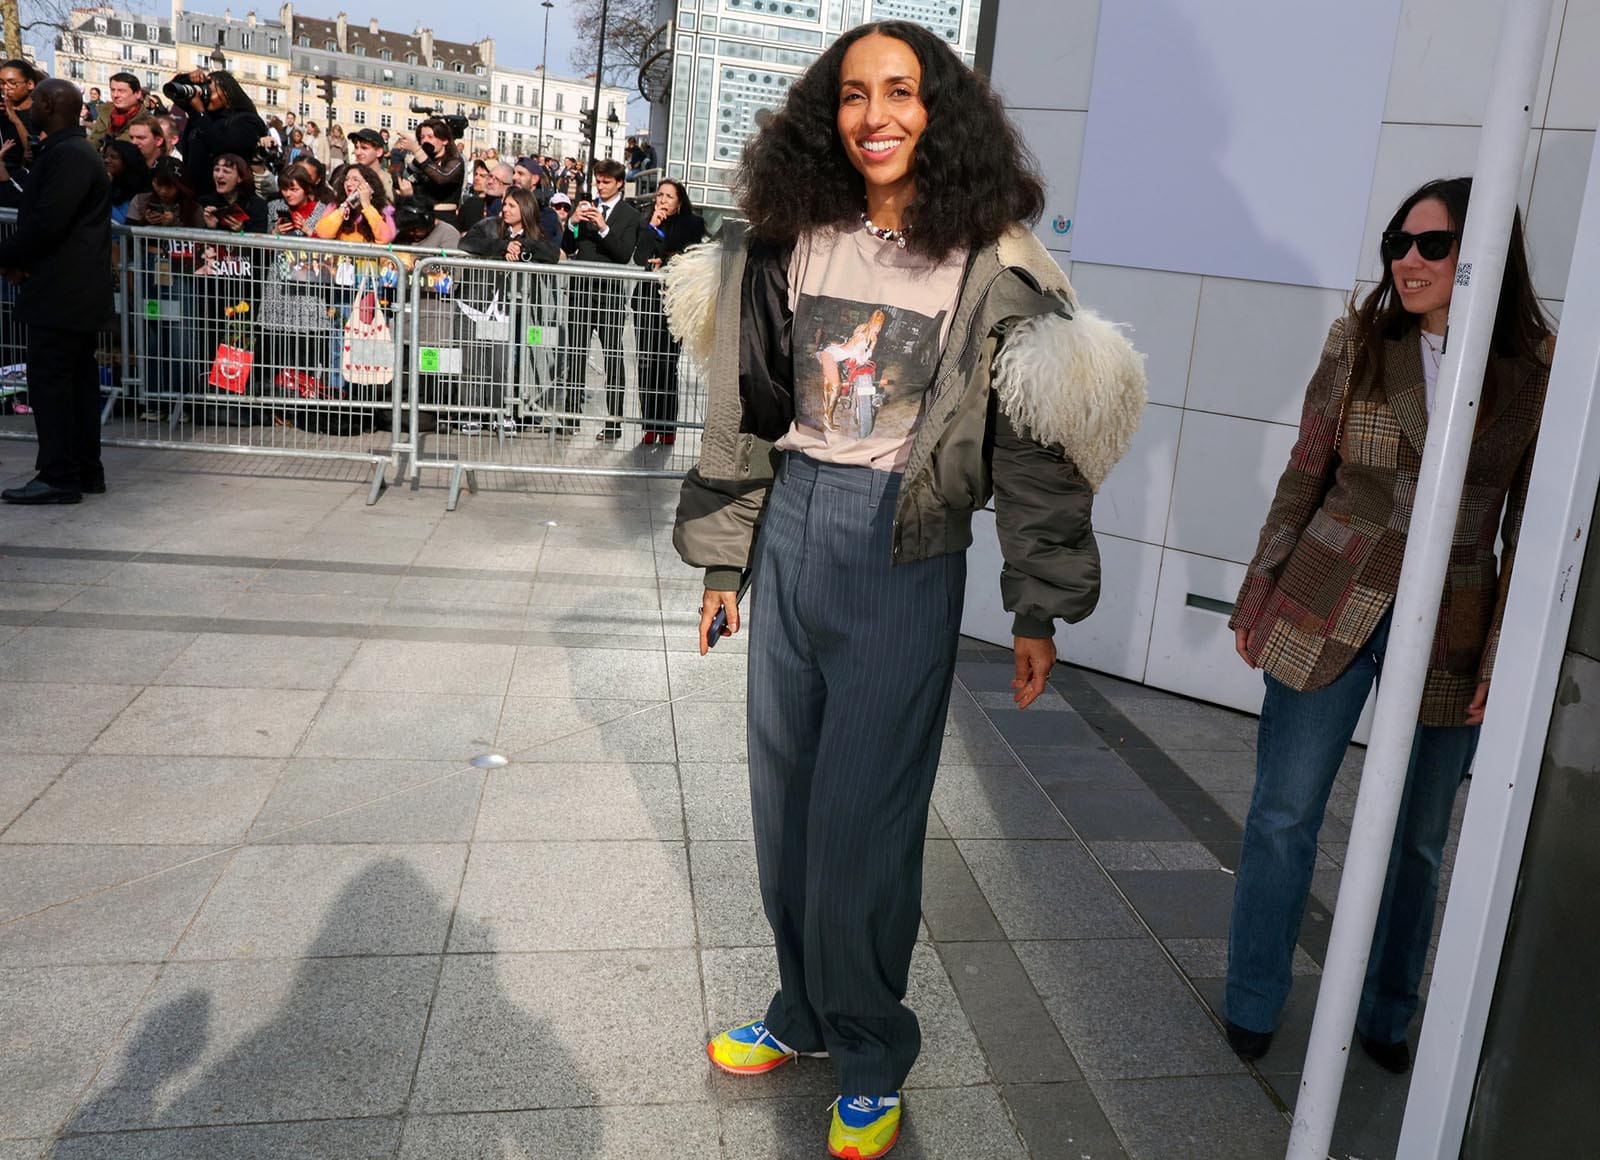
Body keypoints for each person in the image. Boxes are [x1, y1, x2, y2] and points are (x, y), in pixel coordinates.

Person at [669, 23, 1143, 1157]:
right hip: (793, 533)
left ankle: (871, 1046)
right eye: (851, 94)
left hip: (906, 551)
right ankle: (801, 1011)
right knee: (785, 808)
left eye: (900, 91)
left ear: (943, 110)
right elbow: (743, 405)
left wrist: (1037, 604)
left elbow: (1036, 444)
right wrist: (727, 556)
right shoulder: (787, 240)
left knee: (864, 827)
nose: (874, 114)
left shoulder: (998, 262)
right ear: (822, 115)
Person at [1223, 177, 1554, 1075]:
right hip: (1327, 596)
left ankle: (1389, 1011)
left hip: (1452, 618)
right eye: (1399, 244)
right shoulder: (1361, 341)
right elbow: (1304, 473)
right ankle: (1253, 995)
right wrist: (1257, 592)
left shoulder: (1534, 369)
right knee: (1284, 813)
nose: (1408, 260)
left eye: (1432, 246)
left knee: (1418, 837)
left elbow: (1526, 524)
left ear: (1483, 252)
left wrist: (1500, 654)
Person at [0, 79, 114, 504]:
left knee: (53, 383)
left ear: (47, 104)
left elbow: (47, 224)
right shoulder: (72, 152)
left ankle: (60, 473)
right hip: (72, 289)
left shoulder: (69, 155)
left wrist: (8, 256)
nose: (27, 107)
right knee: (75, 382)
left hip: (62, 291)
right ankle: (83, 468)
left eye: (35, 102)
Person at [557, 157, 639, 440]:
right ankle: (570, 417)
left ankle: (614, 421)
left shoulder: (630, 215)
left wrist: (603, 227)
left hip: (609, 295)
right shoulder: (585, 206)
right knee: (576, 354)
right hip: (581, 292)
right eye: (597, 181)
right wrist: (572, 224)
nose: (600, 187)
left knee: (613, 359)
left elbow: (623, 253)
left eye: (606, 182)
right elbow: (567, 247)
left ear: (619, 183)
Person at [632, 178, 704, 446]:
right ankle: (649, 425)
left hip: (674, 304)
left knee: (666, 364)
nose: (662, 200)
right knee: (646, 363)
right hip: (647, 302)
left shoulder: (692, 224)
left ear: (680, 201)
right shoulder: (646, 221)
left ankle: (668, 425)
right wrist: (653, 226)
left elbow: (691, 257)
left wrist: (667, 260)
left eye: (668, 196)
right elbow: (640, 258)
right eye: (659, 195)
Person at [171, 68, 267, 198]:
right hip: (194, 194)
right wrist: (188, 78)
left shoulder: (246, 119)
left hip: (225, 197)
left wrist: (200, 113)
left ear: (227, 93)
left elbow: (223, 146)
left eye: (211, 92)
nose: (207, 97)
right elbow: (173, 91)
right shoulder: (202, 115)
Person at [460, 187, 559, 263]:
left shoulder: (535, 233)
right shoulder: (490, 225)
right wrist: (504, 247)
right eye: (505, 205)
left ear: (525, 209)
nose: (505, 209)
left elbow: (553, 253)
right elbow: (466, 242)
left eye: (511, 206)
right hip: (488, 286)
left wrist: (522, 249)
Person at [396, 118, 465, 225]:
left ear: (445, 140)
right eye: (422, 137)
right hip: (421, 215)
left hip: (444, 219)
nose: (425, 141)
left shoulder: (455, 161)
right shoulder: (419, 160)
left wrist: (417, 150)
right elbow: (404, 179)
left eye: (430, 137)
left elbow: (442, 177)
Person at [314, 163, 396, 243]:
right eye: (346, 179)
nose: (348, 184)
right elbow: (323, 233)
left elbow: (386, 238)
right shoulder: (335, 206)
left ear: (368, 185)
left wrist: (367, 207)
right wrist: (343, 208)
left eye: (355, 179)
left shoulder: (384, 209)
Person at [198, 153, 267, 234]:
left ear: (240, 178)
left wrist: (241, 231)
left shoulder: (256, 205)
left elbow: (259, 241)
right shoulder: (204, 203)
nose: (219, 175)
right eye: (216, 170)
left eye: (226, 171)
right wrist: (211, 228)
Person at [0, 59, 42, 187]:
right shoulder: (2, 112)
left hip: (23, 181)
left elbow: (33, 152)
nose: (6, 88)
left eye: (12, 83)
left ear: (30, 84)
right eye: (2, 83)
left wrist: (16, 120)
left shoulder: (39, 113)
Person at [128, 156, 202, 227]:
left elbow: (199, 237)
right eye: (159, 184)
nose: (163, 191)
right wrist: (145, 221)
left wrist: (175, 222)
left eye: (170, 187)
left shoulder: (194, 208)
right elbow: (127, 235)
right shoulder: (140, 201)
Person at [266, 162, 334, 237]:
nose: (288, 194)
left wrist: (308, 231)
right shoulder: (274, 206)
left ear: (306, 188)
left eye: (294, 190)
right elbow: (264, 242)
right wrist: (275, 233)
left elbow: (325, 243)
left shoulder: (321, 211)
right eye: (284, 189)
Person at [102, 138, 150, 224]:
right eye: (104, 156)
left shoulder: (140, 192)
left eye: (113, 157)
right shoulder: (104, 183)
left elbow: (122, 221)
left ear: (127, 161)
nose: (106, 160)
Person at [89, 71, 146, 144]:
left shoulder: (146, 121)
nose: (115, 95)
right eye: (112, 90)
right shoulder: (106, 112)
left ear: (138, 94)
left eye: (121, 91)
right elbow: (93, 142)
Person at [346, 128, 393, 199]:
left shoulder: (389, 182)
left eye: (364, 148)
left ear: (379, 152)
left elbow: (390, 209)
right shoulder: (348, 178)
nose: (358, 152)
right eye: (356, 147)